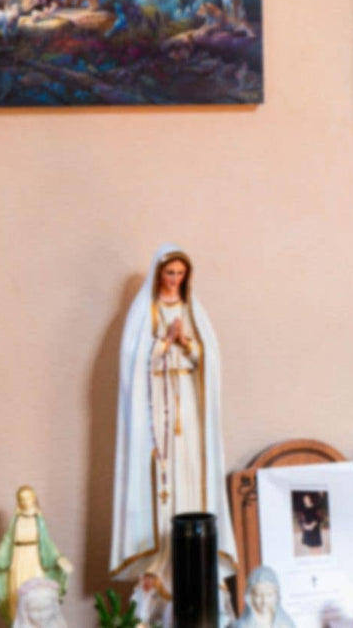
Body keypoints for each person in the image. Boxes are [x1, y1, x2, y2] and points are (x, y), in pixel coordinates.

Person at [111, 247, 235, 612]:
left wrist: (185, 342)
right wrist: (164, 341)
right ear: (159, 274)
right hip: (157, 408)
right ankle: (161, 564)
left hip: (188, 407)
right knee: (163, 480)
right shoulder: (145, 312)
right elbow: (134, 362)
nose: (175, 279)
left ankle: (196, 559)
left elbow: (207, 358)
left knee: (190, 474)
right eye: (170, 273)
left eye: (181, 273)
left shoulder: (193, 311)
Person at [0, 486, 73, 624]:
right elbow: (6, 544)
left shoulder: (38, 520)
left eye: (28, 498)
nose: (25, 501)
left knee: (38, 596)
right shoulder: (16, 521)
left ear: (34, 499)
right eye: (21, 499)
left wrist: (60, 558)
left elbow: (47, 543)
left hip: (35, 561)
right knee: (16, 595)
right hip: (18, 561)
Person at [229, 567, 297, 628]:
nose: (264, 601)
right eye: (259, 595)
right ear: (250, 597)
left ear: (276, 596)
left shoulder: (285, 623)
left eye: (269, 595)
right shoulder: (242, 625)